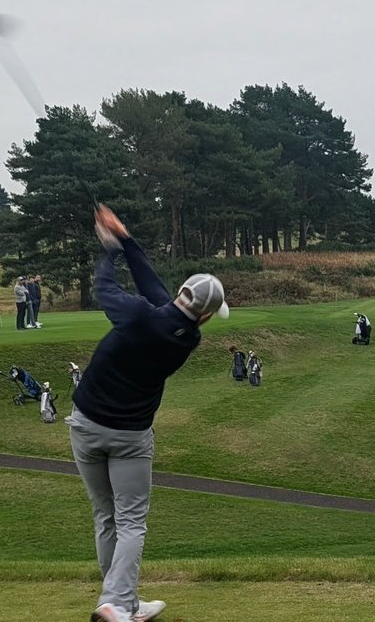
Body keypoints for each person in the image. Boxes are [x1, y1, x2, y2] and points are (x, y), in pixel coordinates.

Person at [68, 204, 228, 622]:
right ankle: (118, 602)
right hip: (130, 437)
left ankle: (120, 601)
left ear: (181, 294)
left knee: (106, 517)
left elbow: (105, 289)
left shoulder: (140, 315)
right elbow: (156, 291)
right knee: (131, 522)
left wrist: (109, 249)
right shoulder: (187, 337)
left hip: (85, 426)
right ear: (205, 315)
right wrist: (126, 239)